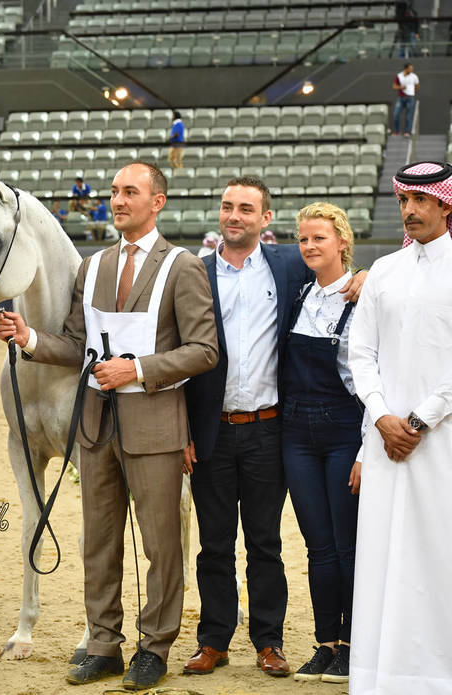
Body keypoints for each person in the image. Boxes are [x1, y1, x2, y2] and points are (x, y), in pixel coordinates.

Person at [0, 162, 219, 690]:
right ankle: (103, 643)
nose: (118, 200)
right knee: (98, 539)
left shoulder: (182, 266)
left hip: (155, 424)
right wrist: (30, 338)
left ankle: (155, 645)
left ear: (157, 201)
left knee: (161, 542)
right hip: (94, 423)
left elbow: (203, 349)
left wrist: (137, 369)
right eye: (115, 192)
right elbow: (76, 345)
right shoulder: (91, 267)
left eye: (130, 192)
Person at [182, 176, 365, 680]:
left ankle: (269, 641)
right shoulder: (194, 273)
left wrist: (366, 277)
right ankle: (213, 640)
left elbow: (338, 270)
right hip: (210, 430)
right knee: (214, 543)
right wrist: (184, 431)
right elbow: (180, 355)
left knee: (266, 542)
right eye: (227, 207)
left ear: (266, 220)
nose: (234, 215)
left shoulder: (287, 267)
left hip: (270, 430)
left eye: (246, 208)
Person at [348, 160, 452, 694]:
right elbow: (359, 352)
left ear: (446, 204)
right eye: (404, 201)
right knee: (384, 555)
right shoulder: (385, 269)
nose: (409, 211)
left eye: (421, 201)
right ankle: (379, 676)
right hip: (385, 437)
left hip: (442, 442)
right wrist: (383, 416)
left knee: (438, 553)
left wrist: (419, 419)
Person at [281, 203, 363, 684]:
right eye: (304, 239)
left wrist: (364, 449)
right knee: (317, 546)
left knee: (347, 546)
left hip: (342, 431)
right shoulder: (299, 295)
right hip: (296, 432)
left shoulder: (363, 297)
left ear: (342, 243)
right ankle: (325, 643)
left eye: (320, 238)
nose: (310, 246)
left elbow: (374, 377)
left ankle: (353, 645)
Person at [391, 64, 418, 137]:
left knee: (408, 116)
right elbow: (394, 86)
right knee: (396, 114)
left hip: (410, 98)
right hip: (401, 98)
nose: (412, 70)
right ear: (406, 69)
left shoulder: (414, 76)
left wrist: (411, 92)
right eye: (410, 68)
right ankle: (397, 131)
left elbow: (417, 85)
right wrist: (401, 87)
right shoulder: (399, 76)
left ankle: (407, 132)